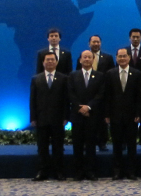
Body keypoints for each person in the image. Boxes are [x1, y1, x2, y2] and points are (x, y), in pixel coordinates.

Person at [30, 51, 69, 181]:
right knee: (42, 147)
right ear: (43, 62)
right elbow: (32, 100)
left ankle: (59, 172)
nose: (50, 62)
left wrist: (65, 117)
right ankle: (42, 171)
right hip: (41, 118)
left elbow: (65, 100)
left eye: (52, 60)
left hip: (58, 119)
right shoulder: (36, 79)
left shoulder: (63, 78)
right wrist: (33, 118)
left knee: (58, 147)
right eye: (47, 60)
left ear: (57, 62)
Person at [104, 48, 141, 180]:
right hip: (115, 115)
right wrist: (107, 114)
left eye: (124, 56)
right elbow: (107, 96)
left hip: (132, 116)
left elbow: (139, 96)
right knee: (117, 145)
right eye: (119, 56)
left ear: (129, 58)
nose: (122, 58)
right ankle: (117, 171)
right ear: (116, 58)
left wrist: (138, 113)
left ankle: (131, 171)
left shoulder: (137, 74)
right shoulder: (110, 73)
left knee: (132, 145)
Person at [68, 50, 105, 181]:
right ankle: (78, 171)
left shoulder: (99, 76)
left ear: (93, 60)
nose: (87, 59)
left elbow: (100, 94)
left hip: (92, 114)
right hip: (77, 115)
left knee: (91, 144)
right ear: (80, 60)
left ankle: (90, 171)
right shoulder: (72, 76)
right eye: (85, 57)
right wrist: (80, 107)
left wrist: (88, 107)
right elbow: (71, 94)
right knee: (77, 144)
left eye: (89, 57)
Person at [76, 35, 114, 152]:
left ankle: (102, 143)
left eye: (98, 42)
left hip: (101, 94)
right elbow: (78, 73)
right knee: (86, 121)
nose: (96, 44)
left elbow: (111, 74)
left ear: (100, 43)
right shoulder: (82, 57)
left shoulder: (107, 58)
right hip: (85, 94)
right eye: (93, 42)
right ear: (89, 43)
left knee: (101, 120)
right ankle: (84, 143)